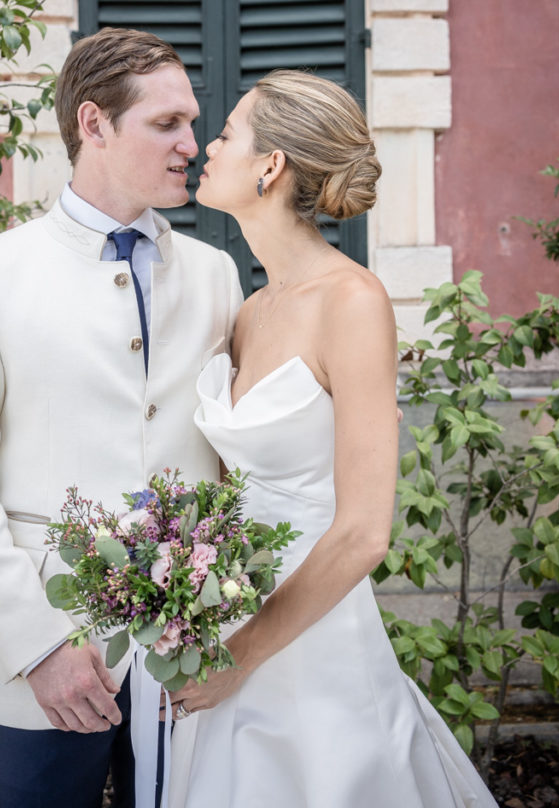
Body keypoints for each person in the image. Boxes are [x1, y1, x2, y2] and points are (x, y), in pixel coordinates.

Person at [0, 27, 243, 808]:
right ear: (93, 125)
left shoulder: (216, 275)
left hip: (186, 666)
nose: (190, 144)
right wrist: (38, 647)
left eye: (193, 124)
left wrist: (223, 627)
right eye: (166, 124)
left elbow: (235, 469)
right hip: (39, 670)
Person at [167, 70, 498, 807]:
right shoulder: (251, 310)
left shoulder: (352, 300)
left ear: (270, 166)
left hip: (307, 635)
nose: (204, 150)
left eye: (225, 136)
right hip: (230, 607)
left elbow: (362, 534)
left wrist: (241, 655)